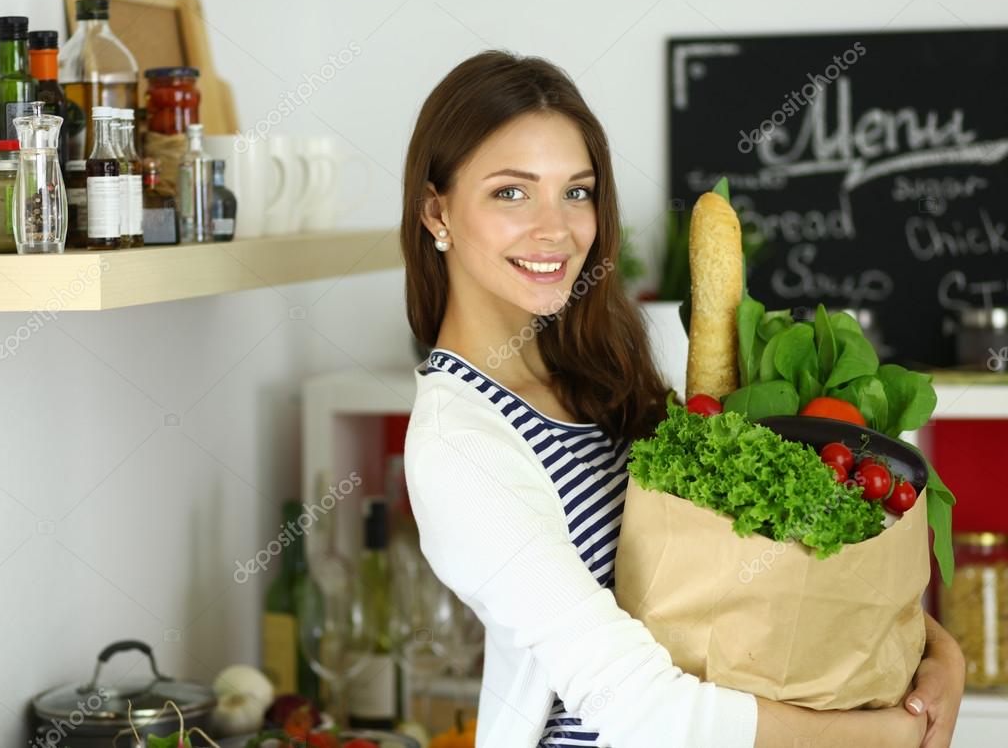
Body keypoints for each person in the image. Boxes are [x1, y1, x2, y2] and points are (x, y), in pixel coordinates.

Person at [400, 48, 965, 748]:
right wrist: (889, 736)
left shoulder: (613, 365)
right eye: (511, 192)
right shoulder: (460, 444)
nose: (556, 228)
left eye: (576, 192)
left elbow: (757, 564)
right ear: (436, 211)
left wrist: (941, 655)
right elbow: (642, 710)